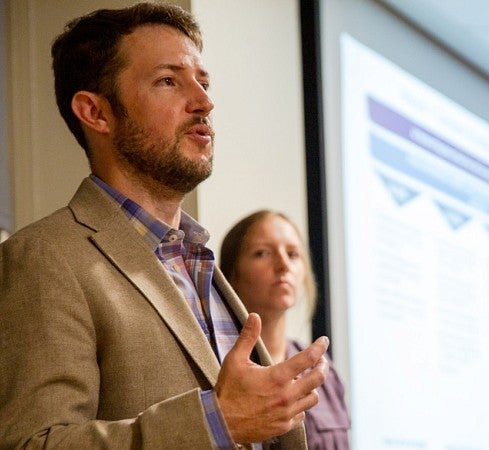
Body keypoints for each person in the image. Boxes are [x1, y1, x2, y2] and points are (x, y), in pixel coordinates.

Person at [0, 3, 329, 449]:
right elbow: (32, 442)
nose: (204, 102)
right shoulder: (45, 257)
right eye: (168, 81)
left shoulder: (198, 262)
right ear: (96, 112)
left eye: (203, 82)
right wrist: (217, 423)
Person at [220, 210, 351, 450]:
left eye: (293, 254)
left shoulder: (324, 371)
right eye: (263, 253)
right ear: (232, 275)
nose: (283, 265)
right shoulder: (217, 367)